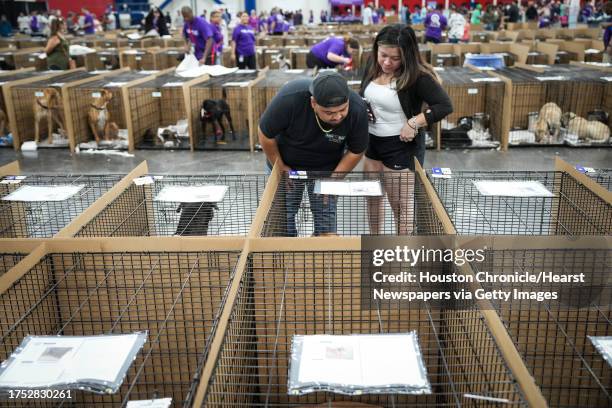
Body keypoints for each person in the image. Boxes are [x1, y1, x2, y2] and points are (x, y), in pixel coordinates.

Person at [359, 24, 452, 235]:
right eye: (383, 55)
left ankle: (402, 252)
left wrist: (414, 122)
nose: (386, 62)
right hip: (372, 144)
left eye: (395, 58)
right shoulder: (373, 66)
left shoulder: (418, 77)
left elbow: (444, 106)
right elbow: (364, 95)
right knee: (372, 197)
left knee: (400, 205)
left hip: (401, 147)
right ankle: (376, 244)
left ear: (407, 56)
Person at [258, 71, 369, 236]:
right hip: (287, 163)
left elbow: (356, 151)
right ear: (313, 103)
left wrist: (334, 180)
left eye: (342, 109)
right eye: (329, 113)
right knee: (283, 215)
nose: (338, 116)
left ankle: (321, 254)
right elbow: (265, 134)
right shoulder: (290, 98)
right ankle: (286, 252)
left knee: (325, 217)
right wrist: (280, 166)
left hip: (327, 168)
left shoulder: (357, 108)